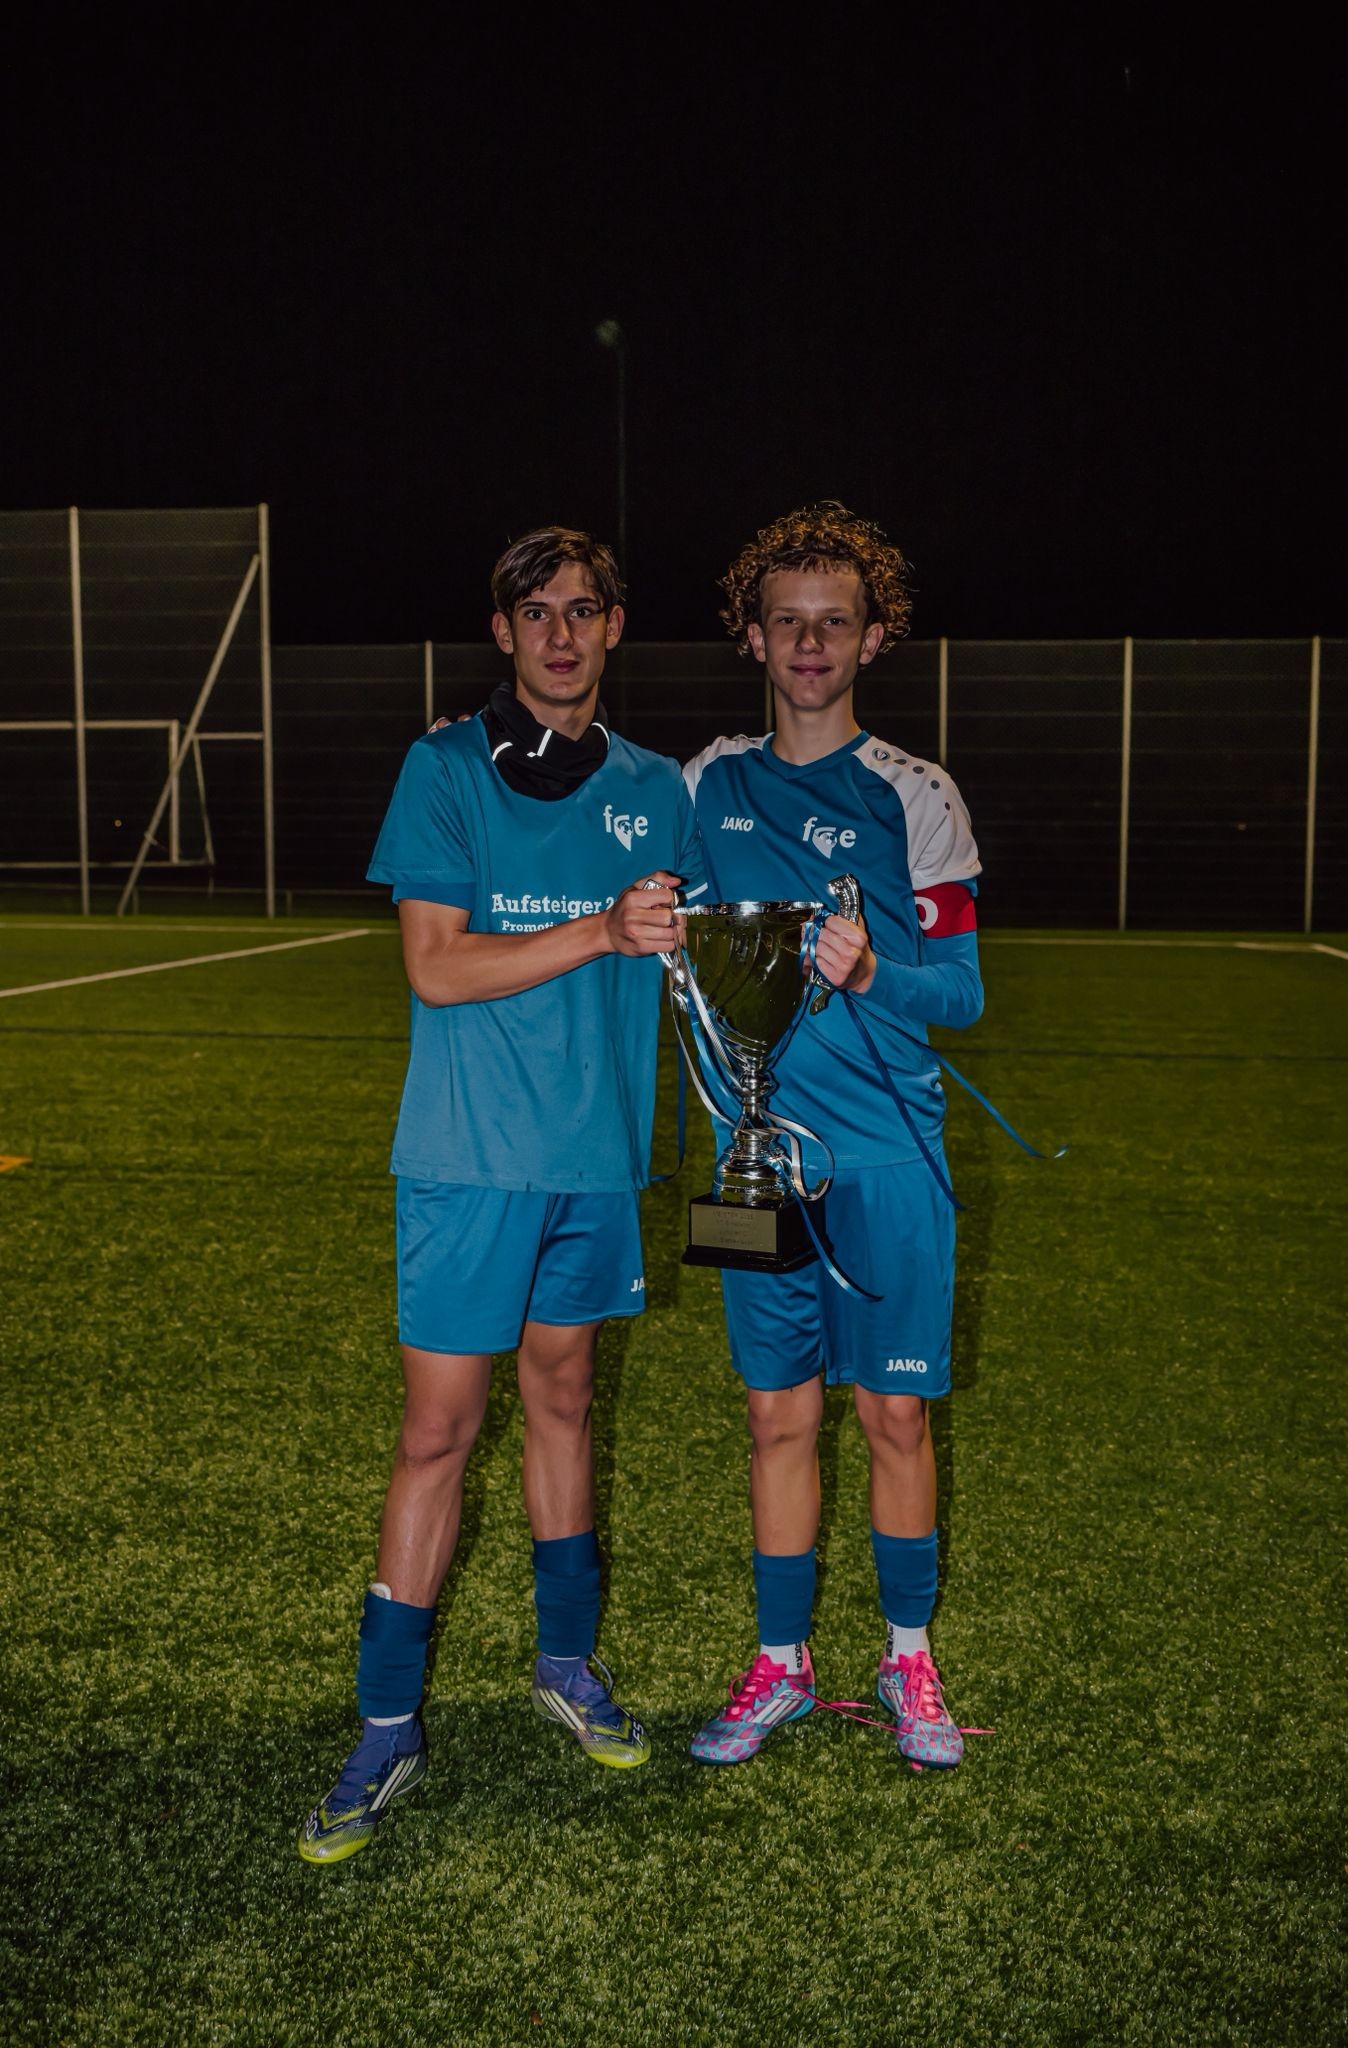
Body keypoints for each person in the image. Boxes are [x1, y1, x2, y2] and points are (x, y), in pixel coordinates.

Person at [298, 526, 704, 1863]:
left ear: (615, 626)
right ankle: (385, 1725)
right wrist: (599, 927)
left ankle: (566, 1665)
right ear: (502, 630)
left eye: (583, 610)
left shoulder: (658, 788)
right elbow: (434, 964)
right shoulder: (445, 769)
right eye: (536, 612)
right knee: (437, 1431)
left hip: (595, 1159)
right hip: (467, 1159)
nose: (560, 634)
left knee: (567, 1399)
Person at [681, 501, 982, 1770]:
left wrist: (869, 974)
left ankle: (908, 1660)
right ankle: (782, 1661)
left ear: (873, 637)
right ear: (752, 636)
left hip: (891, 1164)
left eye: (834, 623)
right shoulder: (702, 783)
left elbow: (960, 994)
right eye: (787, 622)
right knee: (775, 1418)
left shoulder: (917, 794)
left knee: (896, 1417)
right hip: (760, 1160)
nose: (810, 645)